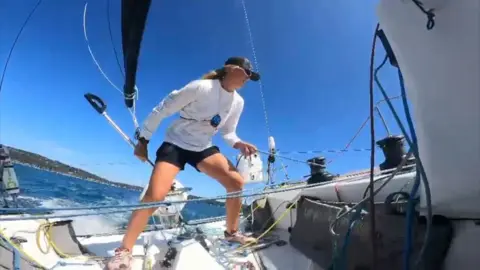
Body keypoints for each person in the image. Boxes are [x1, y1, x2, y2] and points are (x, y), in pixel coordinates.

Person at [107, 56, 261, 269]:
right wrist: (143, 141)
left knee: (236, 182)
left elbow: (228, 132)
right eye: (246, 73)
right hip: (176, 144)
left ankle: (232, 233)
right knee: (155, 197)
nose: (248, 78)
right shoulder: (201, 87)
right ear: (230, 69)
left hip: (202, 147)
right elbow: (162, 110)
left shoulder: (238, 102)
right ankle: (123, 251)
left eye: (250, 76)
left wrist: (238, 143)